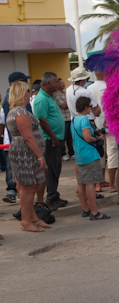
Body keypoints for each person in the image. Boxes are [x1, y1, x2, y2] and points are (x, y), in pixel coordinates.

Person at [6, 82, 50, 232]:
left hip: (25, 152)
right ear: (22, 94)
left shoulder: (18, 111)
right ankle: (26, 221)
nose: (29, 93)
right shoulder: (19, 112)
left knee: (30, 186)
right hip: (25, 154)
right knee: (28, 187)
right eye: (27, 91)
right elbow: (28, 137)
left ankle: (33, 217)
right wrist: (40, 156)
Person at [71, 96, 110, 220]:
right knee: (91, 184)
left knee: (81, 183)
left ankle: (85, 209)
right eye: (90, 106)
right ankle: (94, 212)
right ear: (85, 107)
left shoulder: (74, 119)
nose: (91, 109)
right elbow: (87, 137)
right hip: (89, 154)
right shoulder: (84, 119)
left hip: (79, 154)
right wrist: (97, 138)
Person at [33, 72, 68, 210]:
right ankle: (51, 198)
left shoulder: (50, 96)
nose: (58, 84)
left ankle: (54, 195)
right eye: (55, 82)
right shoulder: (41, 99)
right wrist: (53, 137)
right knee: (52, 169)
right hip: (49, 140)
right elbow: (42, 121)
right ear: (48, 84)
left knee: (56, 168)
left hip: (56, 138)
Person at [2, 71, 31, 203]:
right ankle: (12, 191)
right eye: (23, 81)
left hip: (19, 140)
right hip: (17, 141)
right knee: (15, 169)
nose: (27, 83)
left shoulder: (21, 98)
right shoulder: (11, 100)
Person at [87, 71, 109, 191]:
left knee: (99, 154)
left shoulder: (89, 89)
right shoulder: (108, 87)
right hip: (108, 124)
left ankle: (98, 183)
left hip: (95, 124)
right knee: (110, 154)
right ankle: (103, 181)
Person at [54, 78, 74, 161]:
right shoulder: (55, 95)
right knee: (63, 137)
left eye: (63, 82)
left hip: (69, 117)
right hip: (63, 119)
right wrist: (70, 101)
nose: (64, 84)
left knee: (70, 137)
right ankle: (63, 154)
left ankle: (71, 153)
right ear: (57, 84)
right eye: (61, 83)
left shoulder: (66, 93)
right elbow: (63, 106)